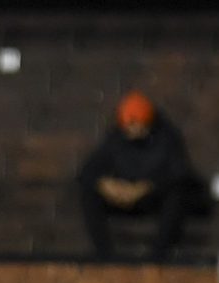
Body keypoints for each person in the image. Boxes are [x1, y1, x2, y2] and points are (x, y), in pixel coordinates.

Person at [77, 90, 205, 260]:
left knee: (177, 196)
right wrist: (107, 185)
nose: (132, 129)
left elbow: (179, 172)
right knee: (89, 193)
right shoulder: (116, 137)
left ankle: (158, 255)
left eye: (136, 124)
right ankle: (104, 256)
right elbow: (88, 170)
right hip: (122, 196)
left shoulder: (166, 136)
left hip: (152, 197)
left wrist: (145, 187)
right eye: (128, 125)